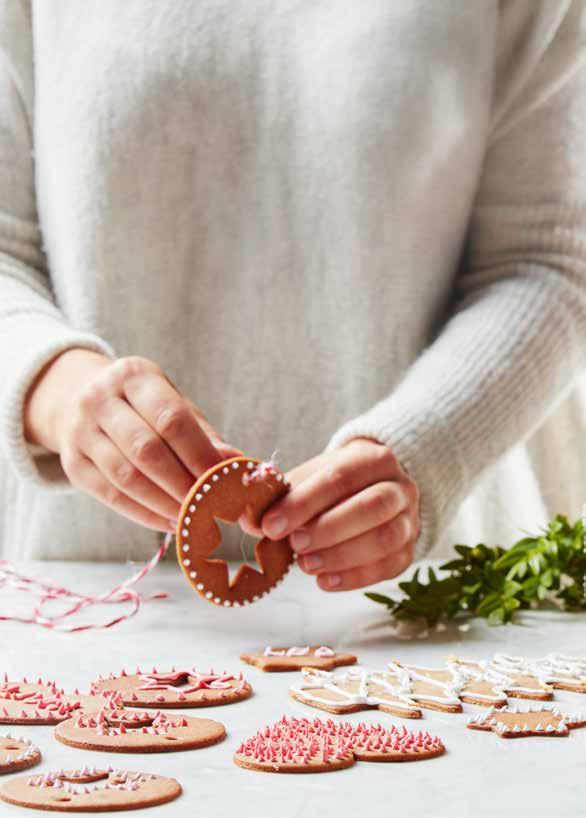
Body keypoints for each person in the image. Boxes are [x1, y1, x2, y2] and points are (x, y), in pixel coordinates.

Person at [1, 1, 585, 594]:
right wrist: (58, 390)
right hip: (86, 597)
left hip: (418, 604)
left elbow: (549, 258)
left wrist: (428, 445)